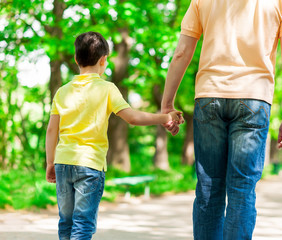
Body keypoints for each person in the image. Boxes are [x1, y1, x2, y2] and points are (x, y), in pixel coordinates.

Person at [161, 0, 282, 239]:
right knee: (242, 190)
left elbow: (181, 53)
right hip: (254, 100)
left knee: (209, 188)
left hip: (209, 97)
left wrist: (167, 104)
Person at [45, 31, 182, 240]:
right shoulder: (107, 88)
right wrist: (165, 118)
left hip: (63, 162)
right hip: (90, 165)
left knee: (66, 222)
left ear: (76, 59)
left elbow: (52, 130)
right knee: (83, 225)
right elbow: (133, 118)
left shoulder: (63, 91)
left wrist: (50, 162)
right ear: (103, 60)